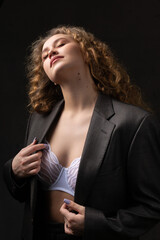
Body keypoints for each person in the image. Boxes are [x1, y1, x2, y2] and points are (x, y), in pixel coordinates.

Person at [3, 25, 160, 240]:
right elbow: (23, 193)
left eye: (61, 44)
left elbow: (153, 206)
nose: (51, 52)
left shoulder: (133, 123)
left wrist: (96, 224)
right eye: (45, 54)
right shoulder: (39, 120)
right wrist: (14, 171)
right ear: (47, 74)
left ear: (87, 53)